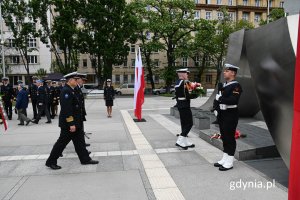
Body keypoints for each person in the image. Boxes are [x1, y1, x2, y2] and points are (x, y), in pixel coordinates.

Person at [45, 72, 98, 170]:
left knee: (80, 142)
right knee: (61, 143)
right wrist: (71, 123)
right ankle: (51, 161)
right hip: (68, 124)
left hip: (76, 123)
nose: (77, 81)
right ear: (70, 81)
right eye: (75, 79)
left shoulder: (72, 90)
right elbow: (67, 109)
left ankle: (85, 159)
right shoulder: (66, 91)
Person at [213, 63, 242, 171]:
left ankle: (230, 160)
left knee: (229, 137)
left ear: (233, 73)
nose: (224, 72)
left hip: (231, 114)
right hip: (222, 114)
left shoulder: (236, 86)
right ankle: (225, 157)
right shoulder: (224, 85)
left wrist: (220, 99)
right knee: (224, 137)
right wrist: (215, 108)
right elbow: (216, 98)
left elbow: (233, 100)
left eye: (227, 71)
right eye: (225, 71)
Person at [174, 68, 198, 150]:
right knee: (189, 123)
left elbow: (177, 95)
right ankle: (180, 141)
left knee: (184, 124)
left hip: (180, 105)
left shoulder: (177, 82)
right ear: (183, 74)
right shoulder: (185, 82)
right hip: (185, 105)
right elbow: (188, 95)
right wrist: (196, 94)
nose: (187, 75)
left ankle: (185, 141)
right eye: (186, 73)